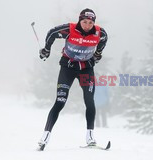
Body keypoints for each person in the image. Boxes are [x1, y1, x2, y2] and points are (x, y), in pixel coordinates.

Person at [37, 8, 108, 151]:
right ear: (79, 20)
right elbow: (51, 33)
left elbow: (104, 39)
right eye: (84, 22)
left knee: (89, 100)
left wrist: (98, 53)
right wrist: (46, 49)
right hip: (68, 67)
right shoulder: (70, 29)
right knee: (60, 101)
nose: (87, 25)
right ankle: (45, 136)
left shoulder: (99, 32)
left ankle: (90, 137)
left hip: (86, 69)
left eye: (90, 22)